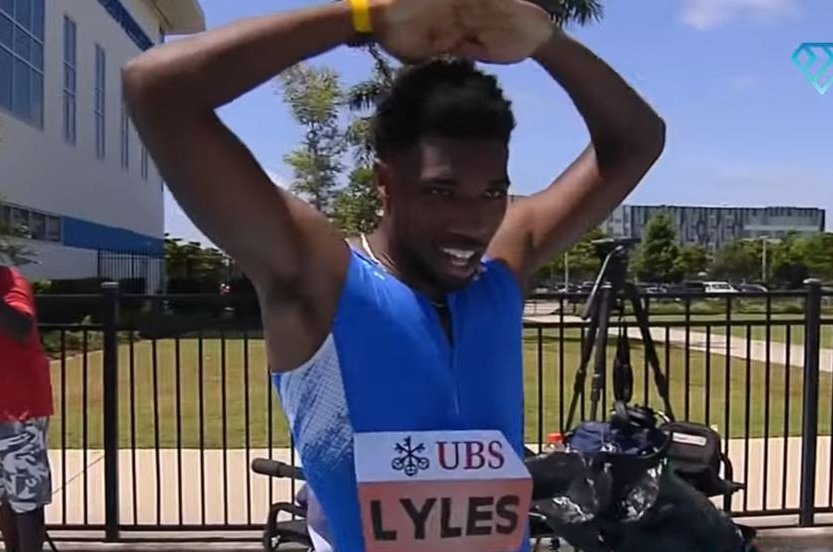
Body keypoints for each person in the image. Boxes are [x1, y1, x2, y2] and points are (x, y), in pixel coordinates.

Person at [123, 0, 665, 550]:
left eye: (493, 192)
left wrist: (546, 42)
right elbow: (156, 86)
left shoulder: (501, 266)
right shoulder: (318, 278)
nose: (471, 222)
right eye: (440, 191)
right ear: (385, 180)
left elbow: (638, 139)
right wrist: (363, 17)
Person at [0, 253, 53, 552]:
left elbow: (20, 327)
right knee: (5, 498)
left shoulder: (10, 280)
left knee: (26, 501)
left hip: (19, 409)